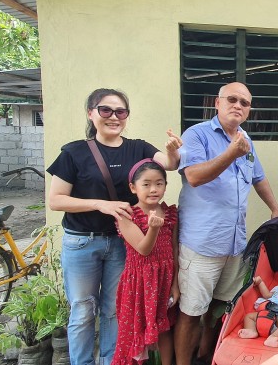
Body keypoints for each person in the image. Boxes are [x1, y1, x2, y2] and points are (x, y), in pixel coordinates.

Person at [47, 88, 182, 365]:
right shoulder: (74, 152)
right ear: (91, 113)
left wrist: (173, 153)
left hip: (122, 243)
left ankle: (111, 361)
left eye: (120, 112)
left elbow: (166, 164)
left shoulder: (138, 147)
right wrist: (101, 204)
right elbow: (56, 201)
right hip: (83, 241)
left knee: (113, 310)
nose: (113, 117)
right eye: (105, 110)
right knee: (83, 311)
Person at [174, 82, 278, 365]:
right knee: (191, 311)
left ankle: (208, 356)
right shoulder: (197, 135)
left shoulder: (245, 139)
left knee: (218, 308)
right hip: (202, 244)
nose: (238, 105)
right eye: (232, 99)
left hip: (234, 243)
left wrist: (275, 209)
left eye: (244, 103)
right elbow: (194, 176)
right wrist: (230, 154)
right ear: (217, 103)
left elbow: (258, 177)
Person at [112, 159, 179, 365]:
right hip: (139, 283)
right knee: (135, 331)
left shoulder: (170, 213)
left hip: (164, 280)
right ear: (133, 187)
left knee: (165, 326)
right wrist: (154, 228)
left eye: (159, 183)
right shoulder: (127, 216)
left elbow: (175, 250)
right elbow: (143, 249)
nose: (153, 189)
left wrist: (175, 284)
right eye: (146, 184)